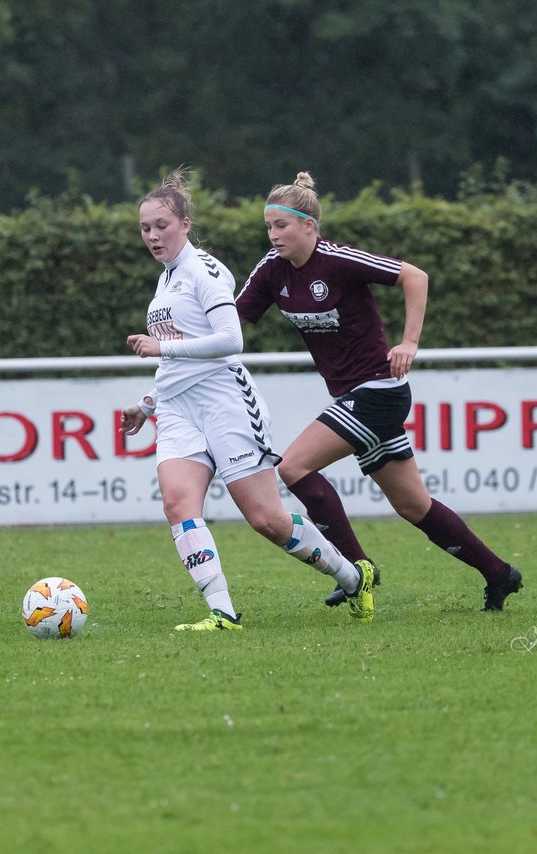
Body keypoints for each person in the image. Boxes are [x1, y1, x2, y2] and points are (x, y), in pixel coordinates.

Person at [235, 172, 523, 612]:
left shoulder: (338, 260)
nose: (273, 235)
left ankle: (358, 568)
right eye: (269, 227)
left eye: (282, 225)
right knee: (414, 506)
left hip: (379, 391)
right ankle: (500, 574)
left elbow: (416, 276)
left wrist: (409, 343)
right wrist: (179, 341)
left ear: (309, 225)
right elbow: (231, 322)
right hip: (355, 397)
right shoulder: (272, 271)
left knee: (292, 467)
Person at [119, 169, 373, 631]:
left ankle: (352, 577)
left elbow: (230, 339)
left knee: (267, 520)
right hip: (178, 409)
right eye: (145, 228)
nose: (153, 236)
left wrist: (162, 347)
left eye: (161, 225)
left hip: (225, 402)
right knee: (178, 504)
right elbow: (181, 360)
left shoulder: (205, 270)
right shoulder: (166, 281)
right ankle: (222, 611)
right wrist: (150, 403)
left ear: (186, 225)